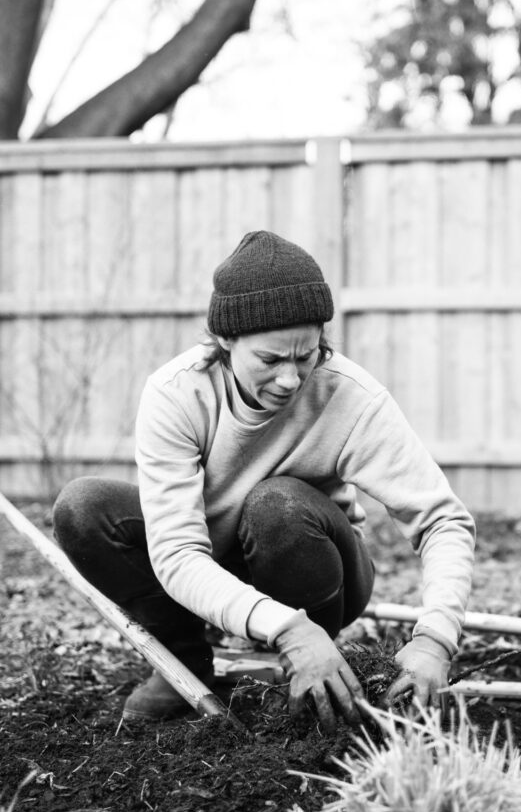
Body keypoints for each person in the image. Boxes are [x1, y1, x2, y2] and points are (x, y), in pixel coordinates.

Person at [52, 230, 475, 729]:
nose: (291, 379)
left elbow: (443, 520)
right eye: (270, 360)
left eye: (306, 355)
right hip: (213, 565)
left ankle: (319, 671)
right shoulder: (177, 395)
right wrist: (284, 628)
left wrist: (434, 639)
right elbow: (177, 553)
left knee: (276, 504)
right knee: (83, 508)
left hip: (317, 565)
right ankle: (185, 660)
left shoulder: (351, 398)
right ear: (225, 341)